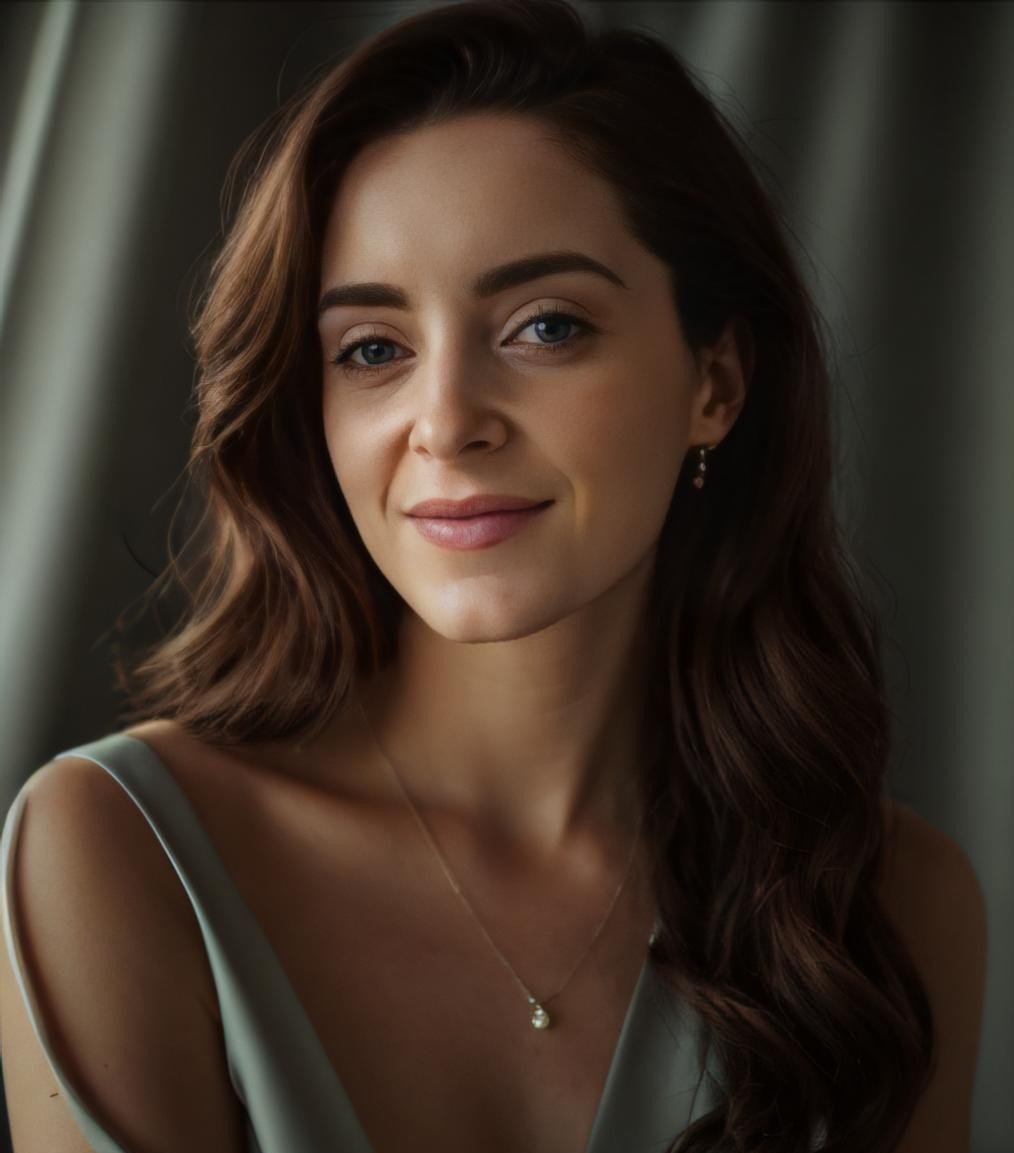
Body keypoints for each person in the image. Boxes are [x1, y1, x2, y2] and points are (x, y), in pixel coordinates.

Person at [0, 1, 987, 1151]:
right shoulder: (120, 854)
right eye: (373, 349)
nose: (447, 420)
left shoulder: (893, 906)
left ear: (715, 381)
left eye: (545, 327)